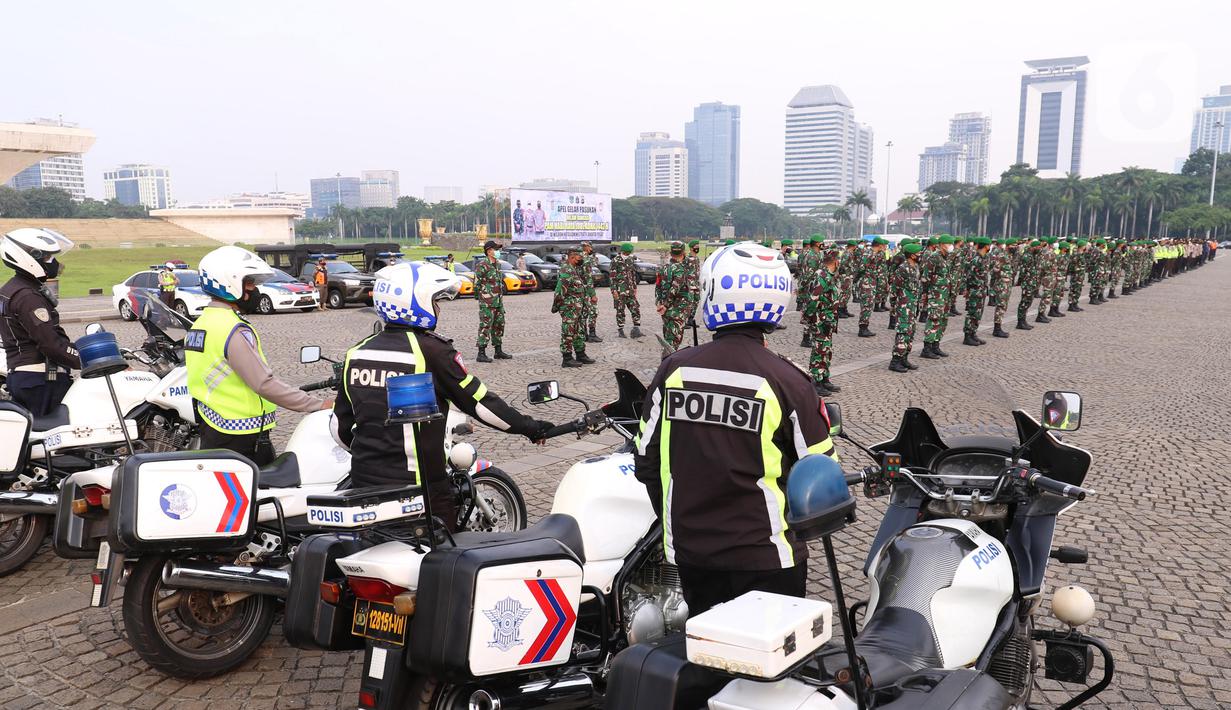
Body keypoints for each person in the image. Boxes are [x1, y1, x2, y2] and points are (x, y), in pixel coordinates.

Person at [634, 241, 839, 616]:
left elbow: (646, 461)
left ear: (712, 292)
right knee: (770, 661)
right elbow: (822, 477)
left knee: (704, 652)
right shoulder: (788, 380)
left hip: (694, 553)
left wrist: (680, 521)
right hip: (767, 556)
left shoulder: (674, 370)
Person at [333, 261, 552, 531]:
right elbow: (481, 404)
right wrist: (531, 427)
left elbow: (340, 427)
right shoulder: (431, 352)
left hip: (363, 486)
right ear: (416, 303)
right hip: (419, 492)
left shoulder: (357, 353)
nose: (438, 308)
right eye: (436, 301)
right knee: (444, 565)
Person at [187, 246, 332, 465]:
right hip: (242, 438)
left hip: (213, 426)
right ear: (229, 283)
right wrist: (316, 404)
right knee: (263, 493)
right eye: (249, 283)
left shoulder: (201, 324)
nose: (255, 289)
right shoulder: (232, 329)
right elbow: (263, 383)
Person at [0, 228, 81, 416]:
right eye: (47, 257)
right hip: (41, 381)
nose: (54, 262)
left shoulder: (13, 288)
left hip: (28, 379)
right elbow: (50, 344)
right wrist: (88, 359)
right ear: (29, 257)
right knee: (54, 439)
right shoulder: (27, 296)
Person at [805, 249, 842, 394]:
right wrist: (813, 318)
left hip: (828, 319)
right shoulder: (822, 276)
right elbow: (814, 299)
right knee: (819, 350)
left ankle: (824, 378)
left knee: (826, 350)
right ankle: (815, 380)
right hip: (821, 319)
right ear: (835, 261)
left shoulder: (830, 276)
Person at [554, 246, 593, 367]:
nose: (581, 259)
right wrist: (559, 307)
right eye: (579, 256)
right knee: (568, 332)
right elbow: (559, 291)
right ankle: (567, 358)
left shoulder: (574, 269)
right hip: (569, 309)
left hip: (578, 308)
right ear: (572, 257)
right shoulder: (566, 270)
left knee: (579, 331)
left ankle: (580, 354)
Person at [888, 240, 923, 373]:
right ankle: (895, 361)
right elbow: (894, 288)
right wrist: (894, 305)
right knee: (903, 331)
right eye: (919, 253)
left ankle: (904, 357)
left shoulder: (915, 267)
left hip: (912, 304)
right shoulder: (903, 268)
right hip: (904, 305)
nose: (921, 255)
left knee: (910, 332)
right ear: (912, 255)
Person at [473, 240, 511, 363]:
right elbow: (476, 284)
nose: (498, 251)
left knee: (499, 325)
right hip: (487, 302)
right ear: (489, 251)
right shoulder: (482, 265)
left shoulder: (498, 264)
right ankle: (481, 353)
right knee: (485, 326)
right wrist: (483, 297)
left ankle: (498, 351)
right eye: (496, 249)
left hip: (498, 302)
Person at [920, 235, 954, 358]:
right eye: (948, 243)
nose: (951, 246)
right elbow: (925, 278)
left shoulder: (946, 257)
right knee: (934, 320)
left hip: (945, 295)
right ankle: (927, 348)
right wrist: (929, 293)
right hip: (936, 295)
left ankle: (936, 345)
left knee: (943, 321)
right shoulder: (934, 257)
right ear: (941, 245)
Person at [655, 241, 690, 356]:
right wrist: (665, 305)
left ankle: (666, 363)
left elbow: (658, 286)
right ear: (684, 252)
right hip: (677, 309)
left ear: (670, 253)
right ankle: (667, 367)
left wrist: (659, 303)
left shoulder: (664, 268)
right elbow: (674, 289)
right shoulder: (680, 269)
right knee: (673, 342)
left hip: (666, 311)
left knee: (668, 338)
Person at [961, 237, 991, 346]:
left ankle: (973, 333)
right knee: (972, 313)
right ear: (986, 246)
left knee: (978, 314)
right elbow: (969, 275)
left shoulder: (984, 257)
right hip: (975, 290)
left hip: (981, 290)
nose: (990, 247)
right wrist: (967, 290)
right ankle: (967, 336)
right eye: (989, 245)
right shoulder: (976, 259)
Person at [610, 242, 643, 338]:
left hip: (630, 290)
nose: (629, 254)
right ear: (623, 251)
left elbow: (632, 274)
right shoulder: (615, 261)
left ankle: (636, 328)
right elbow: (612, 277)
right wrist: (614, 291)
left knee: (635, 308)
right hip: (620, 290)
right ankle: (621, 330)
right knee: (620, 310)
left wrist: (635, 287)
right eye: (627, 252)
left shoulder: (630, 259)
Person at [988, 238, 1015, 338]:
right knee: (1001, 305)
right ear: (1007, 246)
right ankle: (997, 329)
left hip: (1007, 284)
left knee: (1004, 306)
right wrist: (1002, 277)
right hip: (1002, 284)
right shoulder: (1002, 256)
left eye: (1016, 245)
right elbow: (995, 269)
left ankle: (998, 327)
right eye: (1013, 245)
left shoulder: (1009, 255)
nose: (1015, 247)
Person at [580, 241, 601, 343]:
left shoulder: (580, 257)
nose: (591, 248)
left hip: (581, 290)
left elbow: (596, 263)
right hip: (586, 290)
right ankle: (591, 334)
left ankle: (584, 334)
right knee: (593, 311)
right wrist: (592, 294)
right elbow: (588, 277)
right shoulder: (585, 258)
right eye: (589, 246)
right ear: (586, 247)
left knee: (584, 313)